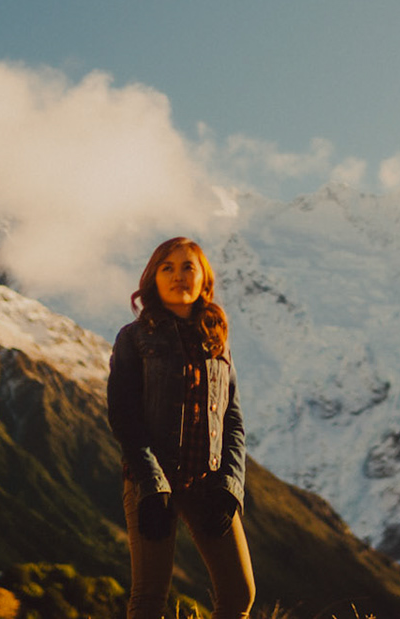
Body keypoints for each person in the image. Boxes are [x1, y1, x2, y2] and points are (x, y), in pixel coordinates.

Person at [107, 237, 255, 619]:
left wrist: (230, 486)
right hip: (151, 481)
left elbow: (232, 418)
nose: (178, 276)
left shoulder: (217, 339)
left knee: (239, 594)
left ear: (204, 277)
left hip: (208, 481)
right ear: (152, 278)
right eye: (167, 267)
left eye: (188, 266)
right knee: (150, 597)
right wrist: (152, 485)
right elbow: (124, 415)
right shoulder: (134, 338)